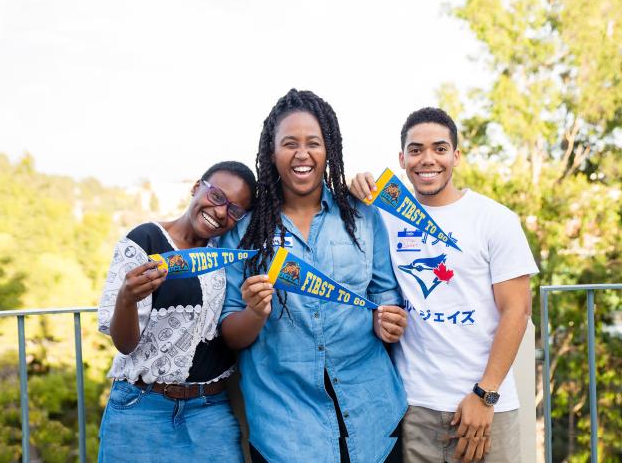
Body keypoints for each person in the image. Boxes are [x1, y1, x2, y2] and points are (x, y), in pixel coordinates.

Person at [220, 89, 408, 463]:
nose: (302, 153)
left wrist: (387, 320)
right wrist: (255, 312)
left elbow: (386, 297)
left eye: (313, 143)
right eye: (289, 143)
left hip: (373, 416)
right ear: (271, 153)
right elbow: (230, 332)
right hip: (285, 430)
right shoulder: (243, 234)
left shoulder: (363, 216)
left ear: (329, 150)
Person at [350, 107, 538, 463]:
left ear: (456, 156)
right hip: (414, 408)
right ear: (402, 159)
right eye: (416, 150)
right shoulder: (385, 216)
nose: (428, 159)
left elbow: (518, 310)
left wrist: (485, 395)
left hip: (486, 408)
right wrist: (352, 182)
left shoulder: (494, 219)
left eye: (439, 148)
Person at [97, 161, 256, 463]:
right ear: (197, 188)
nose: (221, 212)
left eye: (235, 210)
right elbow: (125, 344)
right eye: (217, 196)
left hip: (210, 413)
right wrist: (127, 299)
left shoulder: (227, 254)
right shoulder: (145, 241)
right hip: (142, 409)